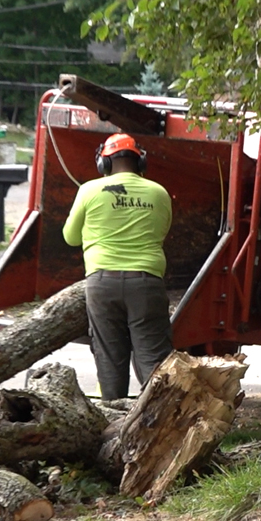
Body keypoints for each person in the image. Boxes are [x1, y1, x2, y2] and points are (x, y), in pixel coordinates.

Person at [62, 132, 173, 401]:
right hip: (147, 283)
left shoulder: (88, 190)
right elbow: (162, 232)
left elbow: (70, 237)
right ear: (140, 162)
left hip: (102, 285)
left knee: (109, 358)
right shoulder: (159, 193)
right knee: (154, 362)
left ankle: (113, 422)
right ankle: (161, 425)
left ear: (104, 163)